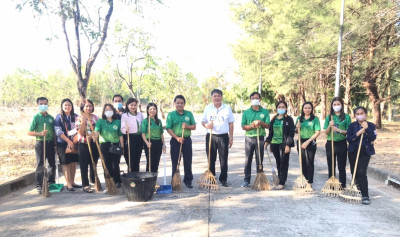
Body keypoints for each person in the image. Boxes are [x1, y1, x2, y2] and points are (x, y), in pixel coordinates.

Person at [201, 89, 235, 187]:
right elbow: (203, 121)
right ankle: (212, 178)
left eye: (218, 95)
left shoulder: (227, 108)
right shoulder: (207, 108)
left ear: (221, 97)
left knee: (223, 159)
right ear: (212, 98)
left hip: (223, 136)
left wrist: (231, 137)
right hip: (211, 136)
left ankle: (223, 179)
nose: (217, 97)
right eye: (214, 96)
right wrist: (206, 125)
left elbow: (231, 123)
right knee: (211, 158)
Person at [347, 106, 377, 205]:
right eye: (358, 114)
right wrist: (359, 132)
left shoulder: (371, 125)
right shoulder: (352, 126)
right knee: (354, 171)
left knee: (361, 172)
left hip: (365, 151)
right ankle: (357, 187)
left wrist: (367, 128)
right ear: (355, 115)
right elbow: (349, 139)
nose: (360, 115)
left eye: (362, 113)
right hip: (353, 151)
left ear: (365, 114)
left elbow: (373, 137)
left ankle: (365, 195)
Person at [166, 95, 196, 188]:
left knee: (188, 161)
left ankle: (188, 180)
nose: (180, 105)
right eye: (178, 103)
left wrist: (187, 126)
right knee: (175, 161)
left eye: (181, 103)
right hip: (175, 141)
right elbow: (168, 128)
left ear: (184, 104)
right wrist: (177, 138)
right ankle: (175, 181)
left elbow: (194, 126)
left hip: (187, 140)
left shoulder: (189, 114)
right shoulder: (171, 115)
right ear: (174, 103)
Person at [240, 92, 270, 187]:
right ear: (250, 100)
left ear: (260, 99)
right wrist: (252, 125)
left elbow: (268, 125)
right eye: (253, 98)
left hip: (260, 138)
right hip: (249, 138)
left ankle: (259, 179)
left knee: (259, 159)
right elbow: (243, 126)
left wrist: (260, 122)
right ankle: (246, 179)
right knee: (248, 159)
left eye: (256, 98)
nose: (255, 99)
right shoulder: (246, 112)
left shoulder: (264, 112)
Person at [28, 97, 56, 194]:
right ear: (37, 105)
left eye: (45, 104)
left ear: (48, 105)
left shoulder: (51, 118)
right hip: (40, 143)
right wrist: (40, 133)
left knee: (52, 164)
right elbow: (29, 132)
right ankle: (39, 185)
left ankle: (51, 182)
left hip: (50, 143)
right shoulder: (35, 117)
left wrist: (55, 145)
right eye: (41, 104)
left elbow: (54, 132)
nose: (43, 105)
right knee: (40, 164)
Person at [265, 100, 295, 190]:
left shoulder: (288, 119)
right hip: (274, 144)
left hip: (284, 144)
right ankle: (279, 179)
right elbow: (270, 132)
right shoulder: (274, 118)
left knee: (284, 163)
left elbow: (291, 133)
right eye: (279, 107)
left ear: (286, 108)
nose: (281, 109)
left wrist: (288, 145)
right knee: (278, 162)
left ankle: (282, 182)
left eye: (283, 107)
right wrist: (267, 142)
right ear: (277, 108)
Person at [94, 104, 124, 188]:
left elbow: (120, 134)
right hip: (104, 145)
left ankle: (117, 181)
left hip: (115, 145)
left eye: (110, 109)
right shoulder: (100, 121)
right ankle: (109, 183)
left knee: (115, 164)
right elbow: (96, 132)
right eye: (106, 109)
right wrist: (94, 136)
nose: (108, 111)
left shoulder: (117, 121)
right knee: (106, 165)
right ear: (104, 111)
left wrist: (122, 146)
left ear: (113, 111)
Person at [323, 97, 351, 188]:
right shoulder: (329, 117)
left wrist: (338, 130)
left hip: (341, 143)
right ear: (332, 106)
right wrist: (330, 126)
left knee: (341, 166)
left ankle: (342, 185)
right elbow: (326, 132)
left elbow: (349, 132)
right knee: (331, 165)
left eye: (338, 104)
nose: (336, 106)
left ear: (341, 105)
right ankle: (332, 183)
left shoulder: (346, 117)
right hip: (330, 143)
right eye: (334, 104)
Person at [55, 98, 81, 191]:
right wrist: (68, 141)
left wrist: (74, 140)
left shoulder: (76, 116)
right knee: (65, 162)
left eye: (69, 105)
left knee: (73, 162)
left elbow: (79, 129)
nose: (67, 107)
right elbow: (58, 131)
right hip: (62, 143)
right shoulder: (59, 117)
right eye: (65, 105)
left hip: (74, 142)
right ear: (62, 106)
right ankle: (68, 183)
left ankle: (73, 181)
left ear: (72, 106)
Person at [295, 102, 321, 190]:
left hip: (311, 141)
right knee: (302, 162)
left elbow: (317, 132)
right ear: (303, 109)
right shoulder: (299, 119)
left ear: (312, 109)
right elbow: (295, 131)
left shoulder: (315, 119)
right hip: (300, 141)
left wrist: (308, 141)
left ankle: (309, 183)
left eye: (309, 108)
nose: (307, 109)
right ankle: (304, 180)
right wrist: (296, 128)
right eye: (305, 108)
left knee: (310, 162)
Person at [76, 99, 99, 193]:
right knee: (83, 165)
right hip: (83, 144)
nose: (88, 108)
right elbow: (80, 132)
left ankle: (94, 180)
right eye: (86, 106)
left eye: (90, 106)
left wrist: (93, 136)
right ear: (83, 108)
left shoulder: (96, 118)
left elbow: (98, 130)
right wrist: (83, 121)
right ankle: (85, 184)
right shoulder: (79, 118)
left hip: (94, 143)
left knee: (94, 162)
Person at [141, 103, 166, 173]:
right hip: (149, 142)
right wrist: (147, 142)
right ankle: (148, 180)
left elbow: (161, 134)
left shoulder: (159, 121)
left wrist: (163, 144)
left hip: (158, 143)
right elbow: (143, 134)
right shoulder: (145, 121)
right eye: (150, 109)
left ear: (156, 110)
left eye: (154, 109)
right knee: (150, 162)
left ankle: (154, 180)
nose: (152, 111)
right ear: (147, 110)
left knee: (156, 162)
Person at [121, 98, 144, 172]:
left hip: (139, 138)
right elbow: (122, 128)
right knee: (131, 159)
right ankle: (131, 176)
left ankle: (137, 174)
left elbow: (143, 125)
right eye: (131, 105)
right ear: (127, 106)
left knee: (137, 158)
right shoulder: (124, 115)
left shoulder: (140, 115)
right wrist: (125, 130)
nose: (133, 107)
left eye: (135, 105)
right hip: (130, 138)